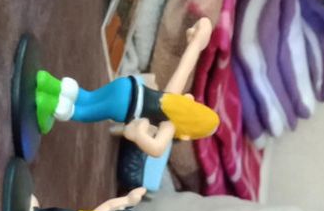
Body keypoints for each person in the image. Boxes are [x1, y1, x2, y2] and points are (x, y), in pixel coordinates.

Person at [35, 17, 219, 157]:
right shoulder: (169, 125)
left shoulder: (174, 96)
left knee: (88, 97)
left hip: (127, 85)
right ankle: (48, 104)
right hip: (123, 107)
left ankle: (50, 84)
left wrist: (197, 41)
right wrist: (138, 134)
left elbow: (184, 67)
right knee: (84, 113)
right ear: (188, 134)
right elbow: (157, 149)